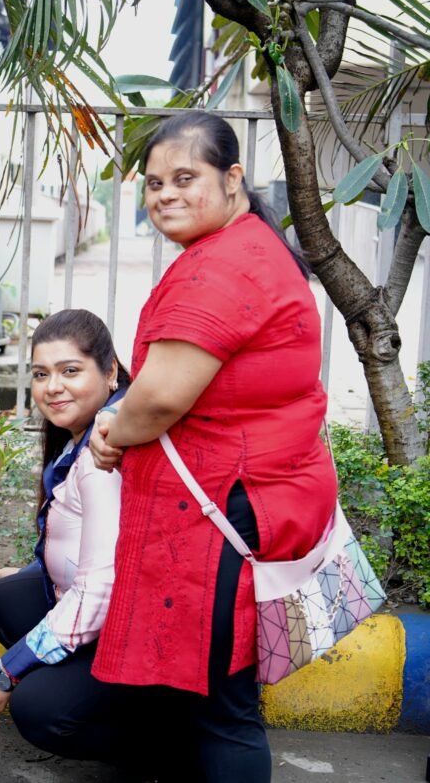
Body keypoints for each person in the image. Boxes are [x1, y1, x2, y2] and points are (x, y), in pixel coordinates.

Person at [88, 111, 337, 781]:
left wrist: (112, 434)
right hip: (254, 496)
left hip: (227, 510)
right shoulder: (248, 246)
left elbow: (161, 398)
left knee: (224, 709)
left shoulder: (222, 269)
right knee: (212, 700)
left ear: (232, 179)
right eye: (154, 183)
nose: (165, 194)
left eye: (184, 178)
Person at [0, 309, 130, 760]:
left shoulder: (105, 454)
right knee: (5, 597)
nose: (52, 387)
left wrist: (7, 671)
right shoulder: (83, 437)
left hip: (135, 630)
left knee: (38, 710)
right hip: (110, 616)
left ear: (110, 371)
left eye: (70, 371)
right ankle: (74, 676)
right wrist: (35, 571)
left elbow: (101, 590)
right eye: (41, 374)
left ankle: (167, 747)